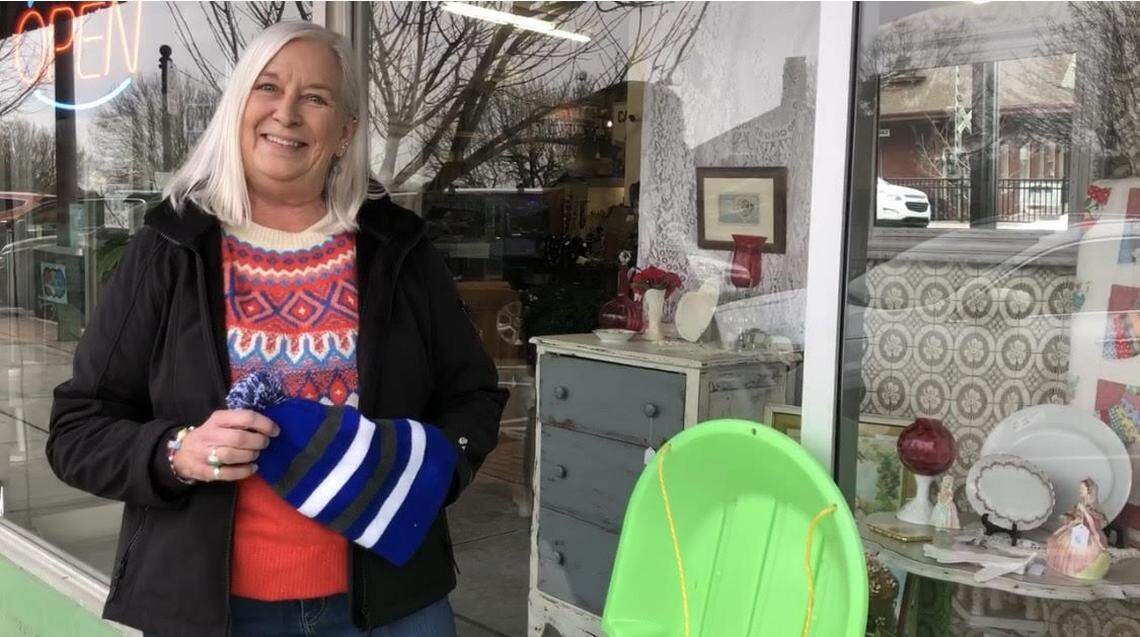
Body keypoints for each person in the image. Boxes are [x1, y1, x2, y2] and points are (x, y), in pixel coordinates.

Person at [46, 21, 507, 636]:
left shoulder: (397, 249)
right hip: (216, 614)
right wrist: (178, 453)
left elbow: (473, 397)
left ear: (344, 133)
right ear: (238, 106)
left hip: (393, 610)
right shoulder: (170, 249)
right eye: (268, 87)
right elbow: (77, 430)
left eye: (315, 97)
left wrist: (432, 476)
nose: (286, 113)